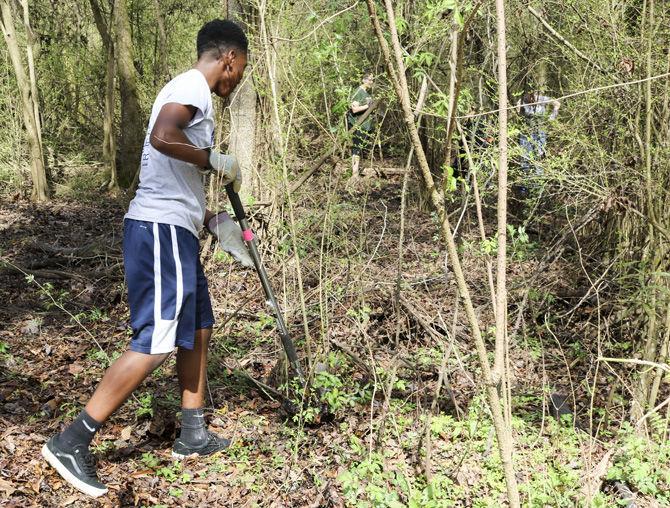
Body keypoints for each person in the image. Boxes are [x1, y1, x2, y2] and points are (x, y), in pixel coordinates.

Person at [41, 19, 253, 498]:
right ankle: (73, 439)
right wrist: (212, 159)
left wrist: (214, 221)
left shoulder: (191, 91)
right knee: (157, 338)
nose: (237, 80)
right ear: (229, 59)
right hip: (158, 230)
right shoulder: (192, 86)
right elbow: (162, 136)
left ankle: (193, 431)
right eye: (240, 70)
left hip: (174, 228)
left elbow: (171, 174)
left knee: (197, 326)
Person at [516, 90, 560, 190]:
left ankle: (538, 187)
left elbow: (557, 103)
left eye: (533, 95)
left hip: (540, 132)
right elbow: (518, 108)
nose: (531, 97)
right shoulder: (523, 100)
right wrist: (519, 111)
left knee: (538, 156)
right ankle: (525, 187)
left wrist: (552, 117)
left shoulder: (542, 99)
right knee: (525, 157)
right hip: (525, 133)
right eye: (529, 95)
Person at [347, 72, 375, 179]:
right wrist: (368, 106)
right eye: (369, 79)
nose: (371, 82)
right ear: (363, 80)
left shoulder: (367, 94)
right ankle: (354, 174)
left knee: (360, 148)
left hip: (365, 126)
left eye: (372, 80)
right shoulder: (358, 92)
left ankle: (357, 171)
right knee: (356, 148)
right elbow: (354, 109)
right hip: (358, 125)